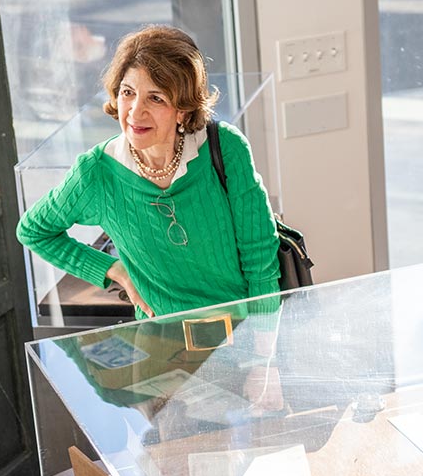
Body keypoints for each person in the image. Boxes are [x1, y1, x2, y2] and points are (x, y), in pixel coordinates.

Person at [16, 24, 280, 320]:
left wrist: (264, 346)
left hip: (242, 338)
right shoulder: (97, 172)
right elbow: (33, 230)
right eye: (127, 92)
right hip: (163, 350)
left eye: (155, 98)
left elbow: (260, 253)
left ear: (183, 109)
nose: (134, 112)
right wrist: (114, 271)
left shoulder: (226, 148)